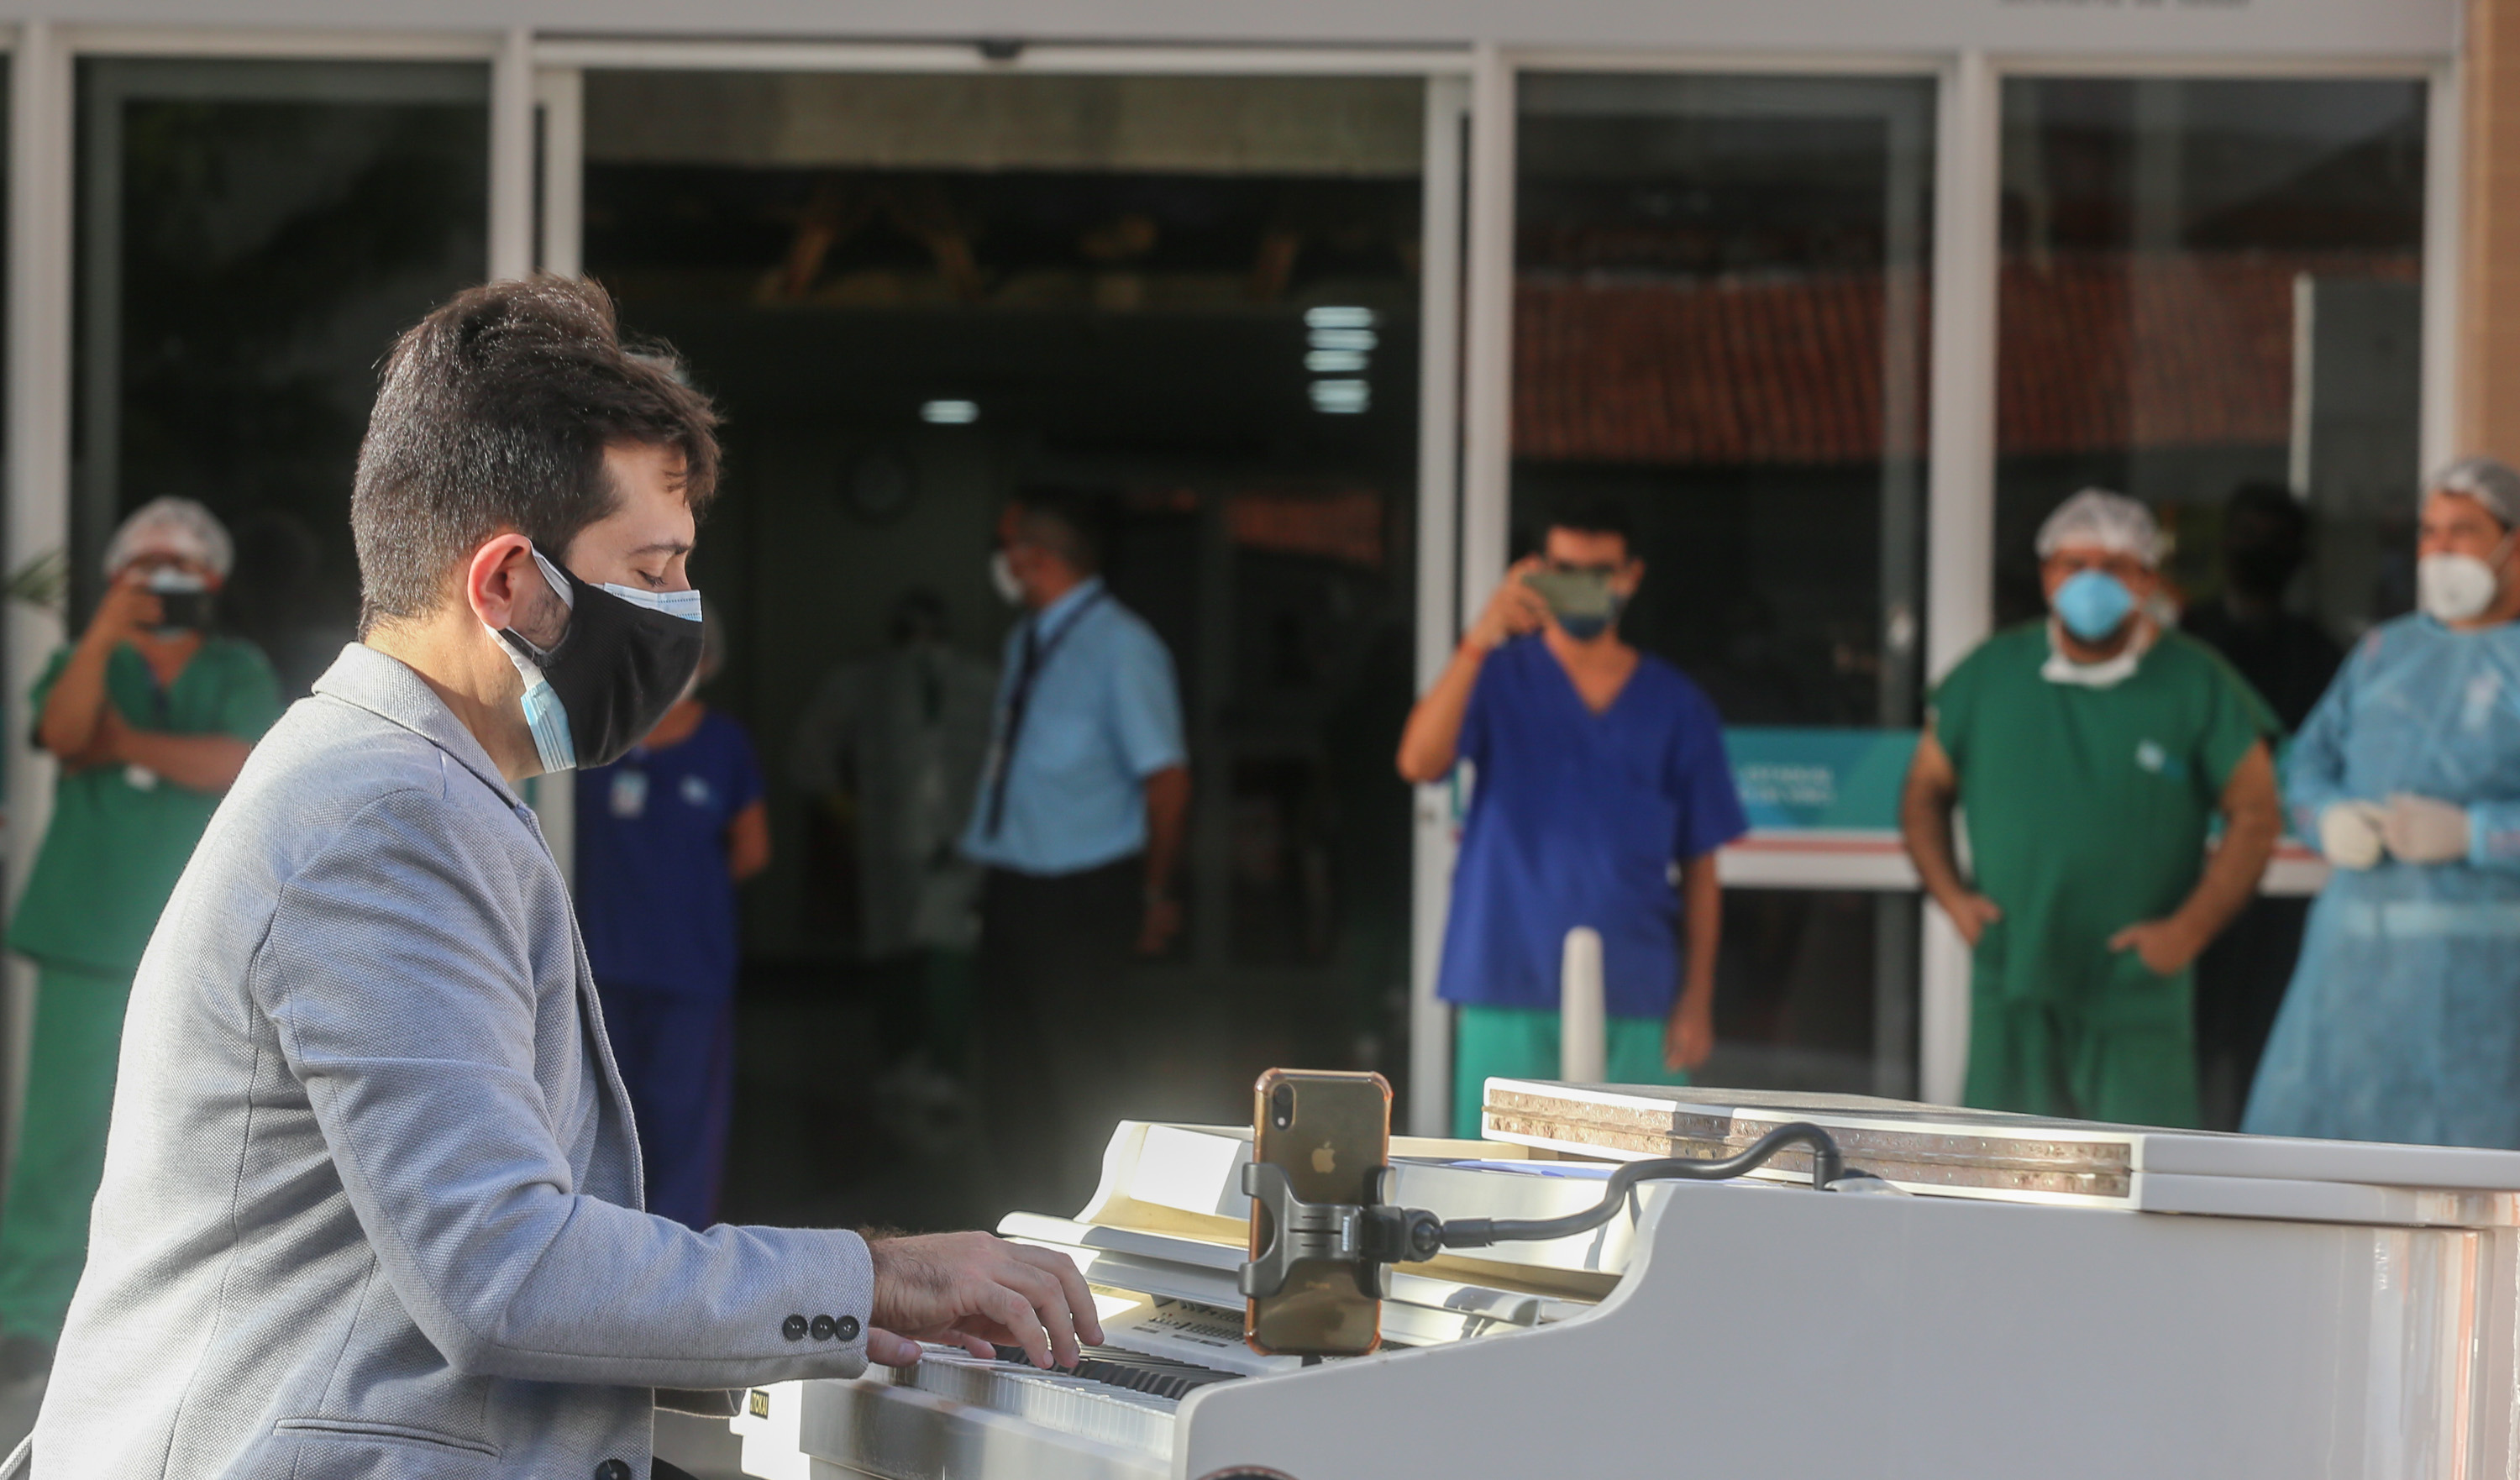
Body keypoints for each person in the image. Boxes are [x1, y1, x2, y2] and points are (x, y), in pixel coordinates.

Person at [28, 277, 1096, 1480]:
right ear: (504, 584)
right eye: (652, 567)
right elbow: (508, 1272)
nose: (680, 614)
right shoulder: (391, 819)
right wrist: (880, 1272)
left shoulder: (415, 780)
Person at [0, 497, 281, 1385]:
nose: (164, 583)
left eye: (184, 569)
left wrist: (131, 742)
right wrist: (102, 635)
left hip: (198, 941)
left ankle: (182, 1323)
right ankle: (26, 1315)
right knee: (60, 1140)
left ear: (216, 581)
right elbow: (65, 731)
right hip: (88, 935)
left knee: (197, 1139)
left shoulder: (238, 667)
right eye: (144, 568)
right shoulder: (87, 662)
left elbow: (240, 761)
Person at [1902, 488, 2282, 1127]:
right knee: (1999, 1184)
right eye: (2072, 565)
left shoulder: (2197, 683)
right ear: (2047, 574)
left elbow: (2257, 813)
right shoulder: (1991, 674)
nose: (2091, 582)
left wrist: (2184, 934)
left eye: (2112, 566)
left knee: (2142, 1192)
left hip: (2136, 985)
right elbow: (1924, 792)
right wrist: (1953, 898)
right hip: (2015, 967)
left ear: (2145, 579)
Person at [1397, 501, 1748, 1140]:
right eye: (1564, 571)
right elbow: (1420, 760)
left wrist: (1697, 997)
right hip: (1506, 972)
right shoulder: (1497, 675)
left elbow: (1702, 865)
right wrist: (1481, 634)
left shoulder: (1675, 704)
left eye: (1599, 572)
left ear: (1631, 576)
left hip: (1639, 989)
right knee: (1495, 1182)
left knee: (1647, 1185)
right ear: (1535, 574)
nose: (1583, 586)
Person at [2246, 457, 2520, 1149]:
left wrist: (2476, 834)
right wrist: (2328, 819)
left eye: (2464, 530)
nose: (2440, 549)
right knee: (2327, 1178)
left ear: (2513, 545)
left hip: (2493, 993)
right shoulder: (2380, 657)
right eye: (2429, 532)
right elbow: (2302, 768)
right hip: (2354, 980)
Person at [961, 491, 1188, 1216]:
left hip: (1084, 890)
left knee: (1079, 1074)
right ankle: (1024, 1222)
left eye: (1009, 547)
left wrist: (1153, 893)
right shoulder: (1028, 639)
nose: (1002, 564)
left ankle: (1090, 1227)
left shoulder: (1122, 645)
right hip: (1015, 882)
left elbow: (1169, 782)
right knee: (1011, 1070)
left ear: (1038, 557)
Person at [573, 601, 768, 1230]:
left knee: (682, 1119)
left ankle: (679, 1259)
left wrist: (680, 891)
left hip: (688, 965)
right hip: (597, 962)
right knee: (600, 1119)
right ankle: (607, 1257)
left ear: (708, 664)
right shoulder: (596, 735)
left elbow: (752, 850)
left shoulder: (724, 745)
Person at [2180, 481, 2344, 1126]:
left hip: (2285, 885)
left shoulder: (2317, 651)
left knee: (2265, 1047)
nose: (2258, 551)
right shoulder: (2189, 642)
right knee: (2190, 1047)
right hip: (2193, 876)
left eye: (2275, 541)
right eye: (2247, 535)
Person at [791, 588, 998, 1072]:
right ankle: (902, 1066)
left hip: (963, 843)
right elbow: (808, 753)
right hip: (890, 840)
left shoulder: (984, 683)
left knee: (952, 951)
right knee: (895, 951)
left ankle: (948, 1069)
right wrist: (845, 809)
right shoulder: (863, 681)